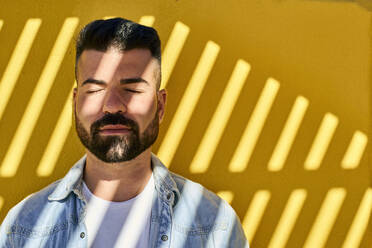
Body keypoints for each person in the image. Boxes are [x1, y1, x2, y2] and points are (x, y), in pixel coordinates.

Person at [0, 18, 248, 247]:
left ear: (160, 106)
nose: (113, 105)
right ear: (75, 104)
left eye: (132, 88)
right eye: (95, 90)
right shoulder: (23, 228)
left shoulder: (214, 225)